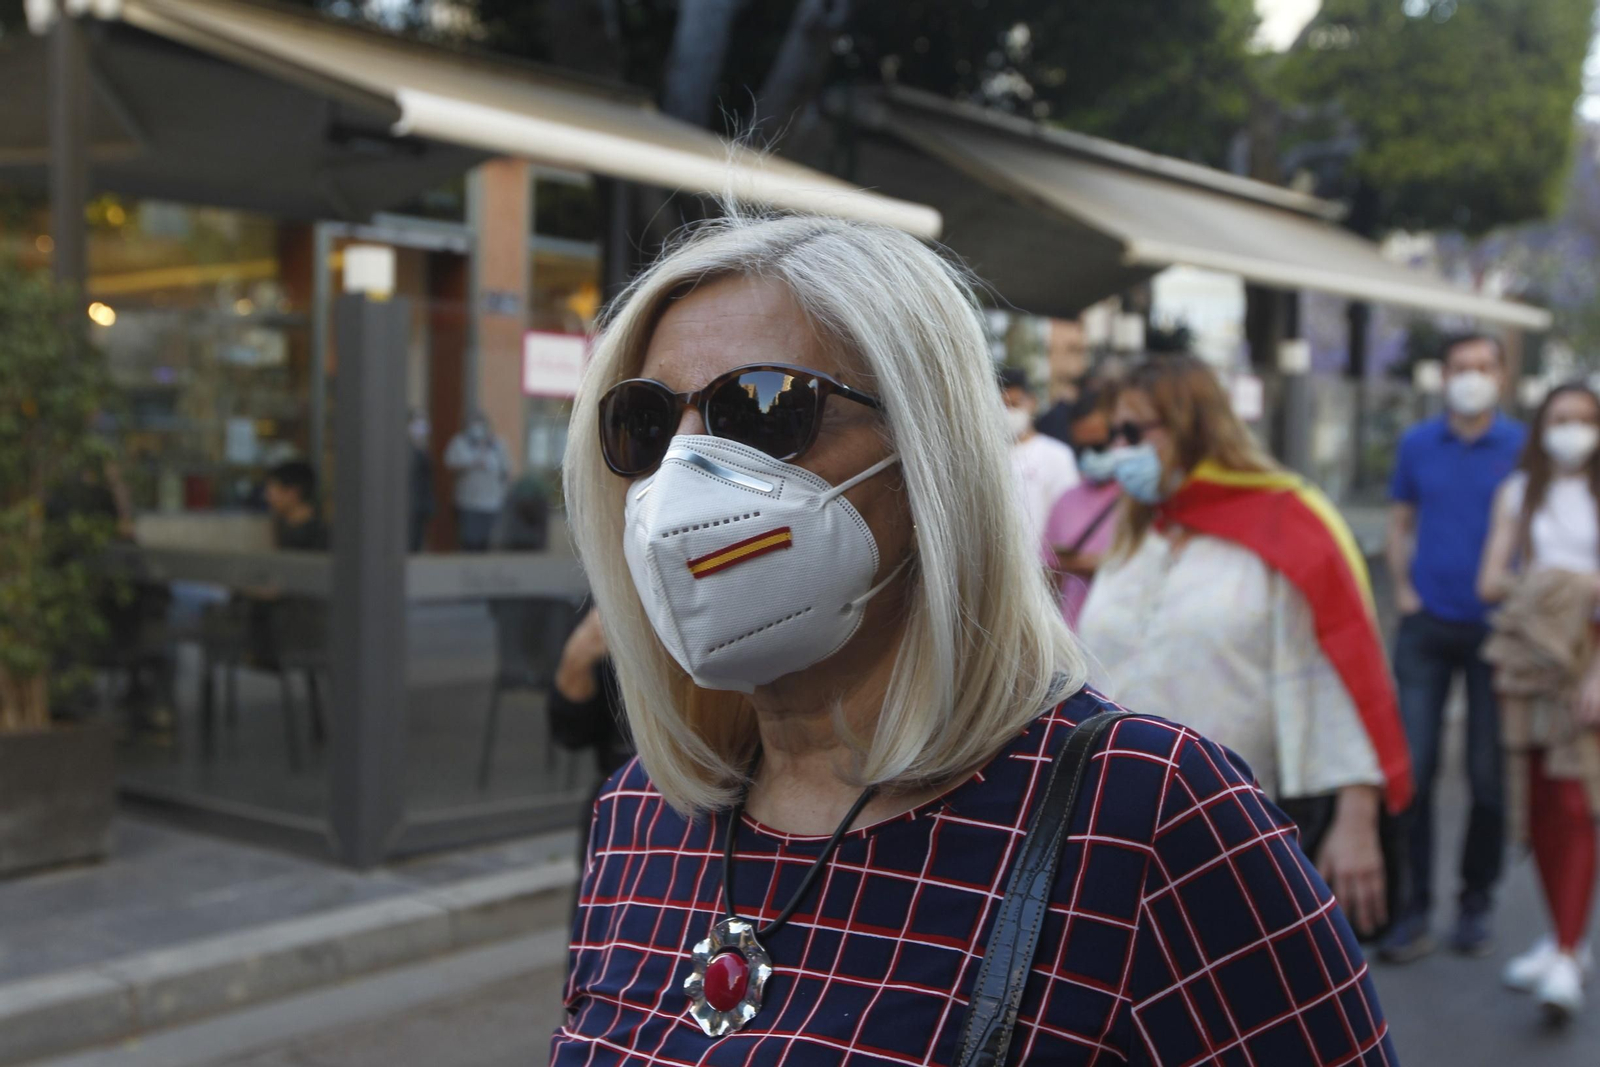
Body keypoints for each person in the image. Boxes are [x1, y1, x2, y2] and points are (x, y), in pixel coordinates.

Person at [550, 215, 1394, 1063]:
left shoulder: (1150, 815)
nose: (682, 478)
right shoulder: (637, 816)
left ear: (928, 458)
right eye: (648, 425)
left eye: (767, 408)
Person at [1078, 354, 1411, 940]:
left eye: (1135, 432)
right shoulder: (1136, 534)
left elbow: (1336, 671)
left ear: (1191, 426)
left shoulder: (1284, 522)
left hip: (1232, 825)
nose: (1120, 449)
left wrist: (1356, 815)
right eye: (1116, 433)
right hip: (1109, 820)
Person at [1381, 333, 1525, 963]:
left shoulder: (1523, 447)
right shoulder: (1418, 443)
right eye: (1461, 367)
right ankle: (1411, 907)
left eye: (1483, 367)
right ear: (1444, 376)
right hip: (1427, 625)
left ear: (1501, 375)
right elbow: (1399, 522)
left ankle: (1475, 900)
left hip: (1499, 630)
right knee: (1412, 767)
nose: (1472, 377)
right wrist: (1405, 592)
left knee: (1488, 774)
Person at [1477, 381, 1600, 1021]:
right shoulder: (1519, 494)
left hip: (1588, 663)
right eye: (1561, 418)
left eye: (1586, 420)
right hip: (1530, 662)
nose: (1573, 430)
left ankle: (1572, 950)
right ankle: (1559, 941)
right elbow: (1490, 580)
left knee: (1578, 803)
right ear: (1541, 425)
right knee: (1542, 805)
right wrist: (1558, 587)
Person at [1042, 386, 1122, 628]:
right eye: (1082, 448)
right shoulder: (1066, 499)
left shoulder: (1139, 499)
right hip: (1075, 636)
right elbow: (1050, 573)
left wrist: (1076, 563)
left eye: (1098, 446)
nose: (1090, 455)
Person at [999, 365, 1079, 549]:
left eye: (1015, 404)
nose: (1008, 412)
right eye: (1002, 405)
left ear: (1032, 402)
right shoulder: (985, 459)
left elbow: (1066, 516)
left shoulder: (1057, 455)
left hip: (1043, 565)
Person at [444, 412, 509, 551]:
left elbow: (506, 469)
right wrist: (472, 463)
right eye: (474, 424)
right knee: (469, 541)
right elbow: (450, 463)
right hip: (468, 502)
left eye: (481, 424)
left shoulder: (497, 445)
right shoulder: (459, 443)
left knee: (485, 543)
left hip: (491, 502)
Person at [263, 460, 328, 551]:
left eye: (271, 491)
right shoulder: (282, 528)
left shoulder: (322, 538)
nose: (266, 497)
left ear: (292, 492)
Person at [408, 410, 436, 552]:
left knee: (417, 539)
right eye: (417, 425)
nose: (422, 429)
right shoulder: (406, 450)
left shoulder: (423, 450)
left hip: (421, 502)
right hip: (409, 501)